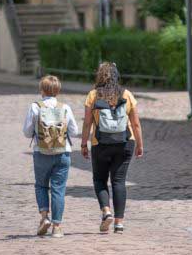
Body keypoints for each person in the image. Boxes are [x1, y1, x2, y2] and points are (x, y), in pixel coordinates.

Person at [81, 62, 143, 234]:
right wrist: (139, 144)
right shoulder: (127, 94)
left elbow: (87, 123)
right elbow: (136, 124)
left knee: (99, 180)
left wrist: (83, 143)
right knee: (119, 181)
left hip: (100, 143)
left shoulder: (93, 95)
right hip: (124, 143)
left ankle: (106, 211)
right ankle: (119, 223)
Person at [22, 75, 78, 238]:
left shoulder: (35, 107)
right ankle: (57, 227)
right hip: (62, 152)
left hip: (41, 152)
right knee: (58, 189)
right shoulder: (65, 107)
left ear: (42, 90)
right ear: (58, 90)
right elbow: (74, 131)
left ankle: (44, 217)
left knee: (41, 185)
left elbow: (26, 132)